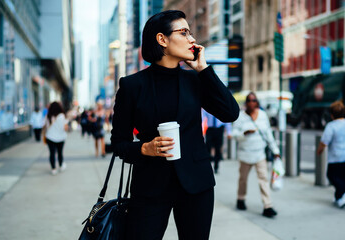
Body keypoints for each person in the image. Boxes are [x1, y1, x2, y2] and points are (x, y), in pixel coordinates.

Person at [111, 10, 239, 239]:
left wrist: (204, 70)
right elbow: (118, 143)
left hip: (196, 184)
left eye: (191, 33)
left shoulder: (195, 79)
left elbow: (230, 113)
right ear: (162, 39)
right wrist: (144, 148)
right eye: (184, 32)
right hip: (150, 187)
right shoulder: (132, 86)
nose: (192, 39)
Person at [232, 92, 280, 218]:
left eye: (254, 100)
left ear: (257, 102)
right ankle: (240, 199)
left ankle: (267, 205)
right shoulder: (240, 117)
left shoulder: (263, 115)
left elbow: (268, 134)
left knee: (263, 179)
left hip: (260, 154)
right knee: (243, 179)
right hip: (245, 154)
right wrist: (244, 133)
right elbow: (234, 134)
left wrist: (275, 150)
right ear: (246, 103)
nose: (252, 102)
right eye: (249, 100)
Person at [316, 101, 345, 208]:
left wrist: (319, 151)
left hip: (337, 157)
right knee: (342, 177)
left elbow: (324, 142)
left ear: (331, 114)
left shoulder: (331, 126)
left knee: (331, 175)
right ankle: (339, 198)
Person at [202, 109, 231, 174]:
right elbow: (202, 117)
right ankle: (208, 166)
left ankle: (216, 167)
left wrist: (229, 132)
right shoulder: (206, 107)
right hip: (210, 129)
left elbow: (226, 120)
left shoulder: (220, 106)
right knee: (208, 147)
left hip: (219, 129)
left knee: (218, 148)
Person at [43, 102, 69, 175]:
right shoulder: (62, 116)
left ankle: (53, 169)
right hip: (61, 138)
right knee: (60, 153)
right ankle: (61, 166)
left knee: (52, 153)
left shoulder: (48, 116)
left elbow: (44, 126)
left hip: (50, 137)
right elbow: (65, 128)